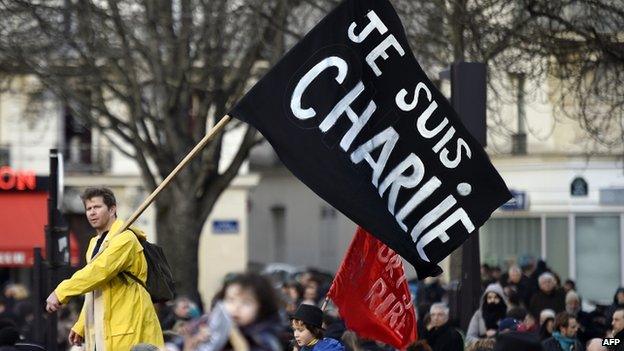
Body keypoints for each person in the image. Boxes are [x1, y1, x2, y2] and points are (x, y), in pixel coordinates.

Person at [45, 187, 164, 350]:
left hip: (130, 324)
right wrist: (81, 324)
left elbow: (100, 271)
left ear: (112, 209)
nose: (92, 213)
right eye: (88, 209)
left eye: (97, 207)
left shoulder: (125, 239)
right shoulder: (95, 243)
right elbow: (94, 290)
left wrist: (61, 292)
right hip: (107, 329)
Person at [210, 272, 286, 351]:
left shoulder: (265, 339)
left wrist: (233, 334)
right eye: (231, 300)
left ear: (262, 308)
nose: (236, 307)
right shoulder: (215, 328)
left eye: (246, 303)